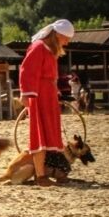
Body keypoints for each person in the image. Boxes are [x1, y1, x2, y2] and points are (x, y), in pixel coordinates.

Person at [19, 18, 74, 187]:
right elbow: (27, 70)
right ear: (57, 34)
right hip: (38, 96)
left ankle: (56, 172)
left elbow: (50, 77)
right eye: (66, 38)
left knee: (51, 132)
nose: (67, 42)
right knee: (39, 134)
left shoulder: (50, 50)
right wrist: (25, 95)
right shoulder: (38, 47)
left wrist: (55, 92)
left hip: (48, 95)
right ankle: (40, 175)